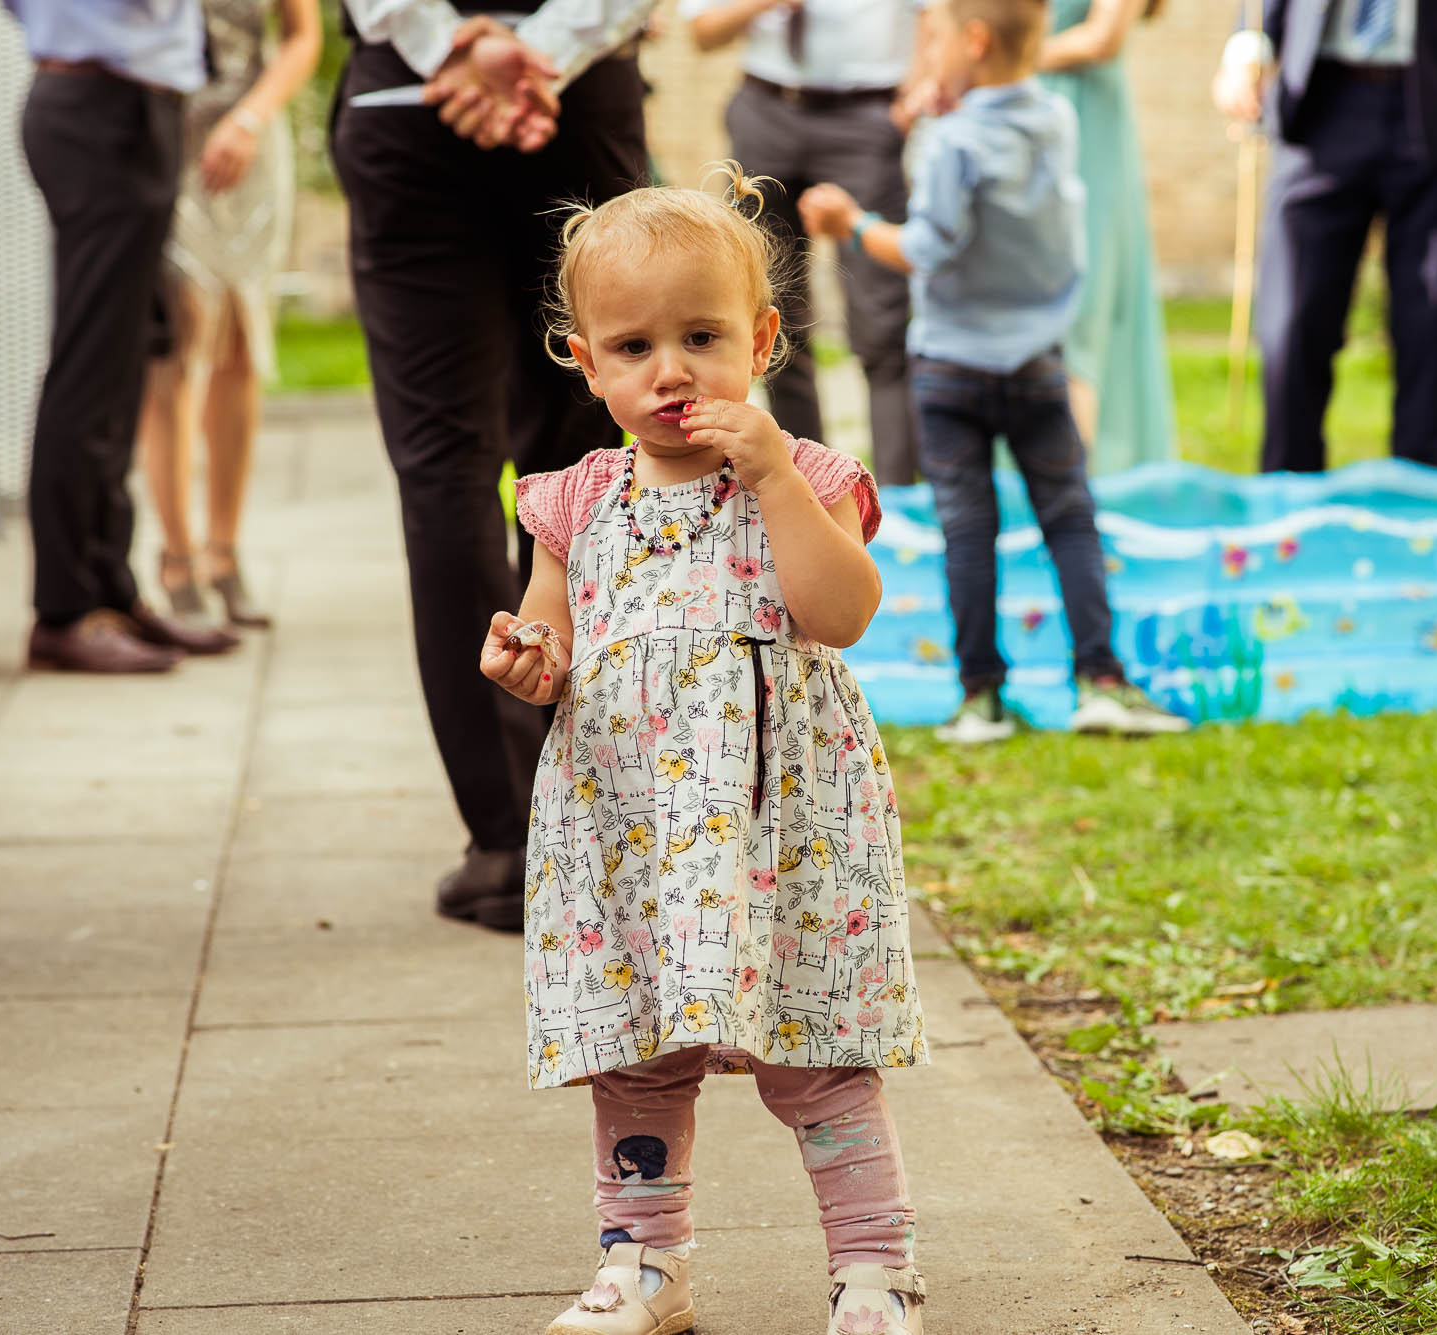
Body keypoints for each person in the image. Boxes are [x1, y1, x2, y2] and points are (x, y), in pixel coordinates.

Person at [480, 167, 930, 1335]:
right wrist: (528, 659)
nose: (669, 370)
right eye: (632, 347)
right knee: (634, 1056)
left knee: (815, 1050)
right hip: (628, 828)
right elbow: (555, 641)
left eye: (701, 337)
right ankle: (645, 1264)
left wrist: (773, 473)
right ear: (583, 361)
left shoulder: (809, 477)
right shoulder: (573, 504)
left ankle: (873, 1270)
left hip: (784, 826)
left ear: (762, 339)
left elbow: (839, 614)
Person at [334, 0, 659, 933]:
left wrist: (455, 47)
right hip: (571, 103)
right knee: (592, 458)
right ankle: (606, 825)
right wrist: (542, 53)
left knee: (447, 474)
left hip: (411, 93)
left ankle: (513, 843)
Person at [800, 0, 1186, 741]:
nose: (928, 50)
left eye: (936, 35)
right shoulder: (1055, 121)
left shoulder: (951, 142)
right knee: (1070, 517)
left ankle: (982, 694)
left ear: (973, 42)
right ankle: (1099, 676)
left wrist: (853, 226)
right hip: (1039, 360)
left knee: (968, 528)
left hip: (952, 369)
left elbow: (927, 249)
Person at [8, 0, 245, 672]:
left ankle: (109, 587)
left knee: (122, 365)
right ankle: (65, 611)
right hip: (97, 105)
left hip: (128, 104)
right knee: (91, 367)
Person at [1212, 0, 1437, 474]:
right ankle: (1289, 511)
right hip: (1321, 98)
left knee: (1434, 332)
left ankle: (1417, 515)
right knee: (1292, 322)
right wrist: (1248, 43)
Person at [680, 0, 926, 485]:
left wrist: (906, 108)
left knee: (882, 322)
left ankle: (897, 500)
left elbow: (935, 17)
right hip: (766, 109)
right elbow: (703, 32)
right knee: (773, 319)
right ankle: (798, 487)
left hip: (865, 115)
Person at [140, 0, 324, 629]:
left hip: (252, 141)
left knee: (243, 342)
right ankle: (176, 553)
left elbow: (303, 38)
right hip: (170, 137)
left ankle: (225, 552)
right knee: (182, 338)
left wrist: (249, 119)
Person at [1037, 0, 1176, 472]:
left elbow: (1103, 38)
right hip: (1024, 108)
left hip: (1085, 118)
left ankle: (1076, 488)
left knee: (1080, 310)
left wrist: (1003, 57)